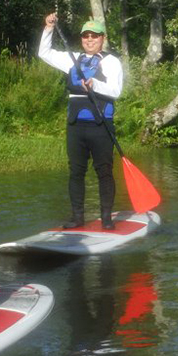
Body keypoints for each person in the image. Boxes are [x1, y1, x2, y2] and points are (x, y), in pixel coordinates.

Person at [38, 13, 124, 230]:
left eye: (94, 36)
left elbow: (115, 90)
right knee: (76, 172)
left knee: (104, 171)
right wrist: (48, 29)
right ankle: (77, 217)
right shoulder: (72, 58)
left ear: (102, 38)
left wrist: (95, 84)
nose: (89, 40)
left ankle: (106, 218)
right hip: (76, 126)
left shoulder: (112, 62)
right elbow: (44, 53)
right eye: (86, 36)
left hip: (100, 125)